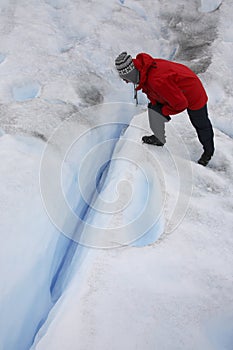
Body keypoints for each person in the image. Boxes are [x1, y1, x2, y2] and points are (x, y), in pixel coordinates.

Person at [115, 52, 215, 166]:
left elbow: (180, 104)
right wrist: (157, 110)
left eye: (125, 78)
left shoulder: (156, 80)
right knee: (153, 109)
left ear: (131, 74)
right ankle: (159, 138)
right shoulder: (143, 69)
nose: (126, 81)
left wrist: (164, 112)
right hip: (177, 87)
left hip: (192, 91)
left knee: (200, 124)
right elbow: (153, 91)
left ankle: (208, 153)